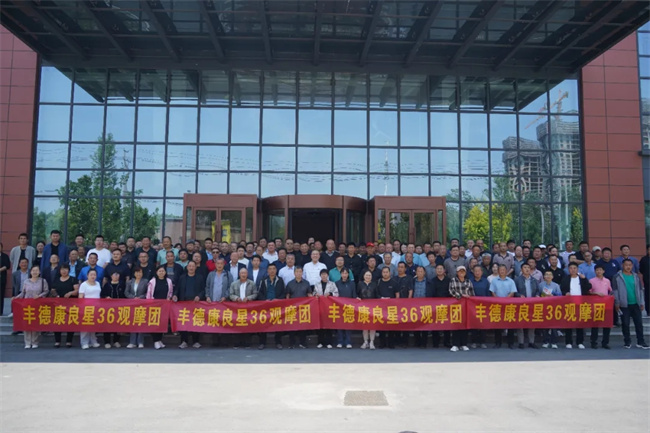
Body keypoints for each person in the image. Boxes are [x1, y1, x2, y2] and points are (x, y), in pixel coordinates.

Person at [612, 259, 649, 349]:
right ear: (622, 265)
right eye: (626, 265)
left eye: (630, 265)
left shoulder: (636, 276)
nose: (628, 267)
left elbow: (640, 290)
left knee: (639, 323)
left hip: (636, 303)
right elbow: (615, 291)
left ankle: (641, 342)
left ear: (632, 266)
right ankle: (627, 342)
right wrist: (617, 302)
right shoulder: (617, 277)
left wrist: (642, 302)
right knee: (625, 323)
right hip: (624, 304)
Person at [14, 265, 49, 348]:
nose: (35, 272)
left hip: (37, 304)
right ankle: (27, 342)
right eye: (33, 270)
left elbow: (46, 291)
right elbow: (23, 292)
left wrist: (39, 296)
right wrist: (16, 298)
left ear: (39, 272)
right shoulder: (26, 281)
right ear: (30, 272)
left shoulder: (43, 281)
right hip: (27, 305)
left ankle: (34, 342)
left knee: (35, 323)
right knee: (26, 323)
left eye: (36, 270)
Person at [174, 261, 206, 349]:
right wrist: (175, 295)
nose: (191, 268)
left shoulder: (200, 277)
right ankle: (184, 341)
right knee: (184, 322)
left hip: (196, 303)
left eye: (193, 266)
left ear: (195, 267)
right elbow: (177, 289)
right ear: (187, 267)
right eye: (190, 266)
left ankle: (196, 341)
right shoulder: (182, 277)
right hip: (184, 303)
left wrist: (199, 296)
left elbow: (203, 290)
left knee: (195, 322)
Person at [559, 262, 592, 349]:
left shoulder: (581, 278)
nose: (573, 270)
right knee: (568, 324)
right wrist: (565, 293)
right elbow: (562, 289)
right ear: (568, 269)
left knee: (580, 324)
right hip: (569, 304)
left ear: (577, 269)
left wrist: (584, 279)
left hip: (581, 304)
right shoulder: (565, 279)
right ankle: (568, 342)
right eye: (571, 268)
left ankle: (580, 342)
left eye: (574, 268)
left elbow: (588, 287)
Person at [257, 263, 286, 350]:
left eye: (273, 269)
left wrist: (278, 299)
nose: (272, 271)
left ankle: (278, 342)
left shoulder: (280, 280)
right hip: (266, 305)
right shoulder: (263, 280)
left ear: (276, 270)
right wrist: (264, 300)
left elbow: (283, 293)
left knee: (278, 324)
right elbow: (259, 293)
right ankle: (262, 342)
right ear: (267, 270)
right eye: (270, 269)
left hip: (277, 305)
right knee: (263, 323)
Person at [50, 263, 78, 348]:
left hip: (71, 304)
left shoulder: (73, 279)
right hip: (59, 304)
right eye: (62, 269)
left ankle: (69, 341)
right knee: (58, 321)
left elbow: (77, 290)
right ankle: (57, 341)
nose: (64, 271)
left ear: (69, 270)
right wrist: (56, 295)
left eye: (65, 269)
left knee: (70, 322)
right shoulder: (56, 280)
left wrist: (70, 293)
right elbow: (52, 290)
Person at [145, 266, 173, 350]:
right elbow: (148, 293)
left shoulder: (168, 281)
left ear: (165, 272)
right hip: (154, 305)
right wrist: (149, 303)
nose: (161, 272)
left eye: (163, 271)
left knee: (162, 323)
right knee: (154, 323)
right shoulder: (152, 281)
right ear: (156, 272)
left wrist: (169, 298)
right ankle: (155, 340)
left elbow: (170, 292)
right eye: (159, 271)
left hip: (164, 306)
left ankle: (160, 339)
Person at [490, 264, 517, 349]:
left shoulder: (511, 281)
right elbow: (492, 292)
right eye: (500, 270)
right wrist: (498, 300)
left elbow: (512, 292)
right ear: (498, 271)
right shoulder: (494, 281)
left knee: (510, 324)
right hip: (497, 305)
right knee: (497, 324)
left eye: (503, 270)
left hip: (509, 305)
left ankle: (510, 343)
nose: (502, 271)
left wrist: (505, 300)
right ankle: (498, 342)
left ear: (506, 271)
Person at [514, 263, 540, 349]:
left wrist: (537, 295)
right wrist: (519, 295)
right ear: (521, 270)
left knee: (532, 323)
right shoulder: (517, 280)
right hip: (521, 305)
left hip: (532, 305)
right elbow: (514, 291)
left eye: (528, 267)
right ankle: (521, 342)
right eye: (525, 267)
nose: (527, 269)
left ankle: (531, 342)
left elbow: (537, 290)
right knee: (520, 324)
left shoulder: (534, 280)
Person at [448, 266, 474, 352]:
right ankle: (455, 344)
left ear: (465, 273)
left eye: (463, 271)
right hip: (456, 306)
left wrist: (469, 297)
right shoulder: (453, 280)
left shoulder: (468, 281)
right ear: (457, 272)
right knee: (456, 325)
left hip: (466, 306)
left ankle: (464, 344)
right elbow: (451, 291)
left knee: (465, 325)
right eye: (460, 271)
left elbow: (472, 293)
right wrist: (462, 295)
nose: (461, 272)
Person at [285, 267, 312, 348]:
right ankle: (291, 343)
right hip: (292, 307)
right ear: (294, 273)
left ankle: (302, 342)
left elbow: (309, 294)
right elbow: (287, 295)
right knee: (292, 325)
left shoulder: (306, 283)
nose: (298, 273)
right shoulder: (290, 283)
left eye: (300, 272)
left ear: (302, 273)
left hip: (303, 307)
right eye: (297, 272)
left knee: (303, 325)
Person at [589, 264, 612, 349]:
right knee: (595, 324)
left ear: (603, 271)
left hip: (606, 305)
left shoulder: (607, 281)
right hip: (595, 305)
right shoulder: (591, 281)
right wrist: (596, 293)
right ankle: (593, 342)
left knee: (606, 324)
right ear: (595, 271)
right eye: (597, 270)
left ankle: (605, 342)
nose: (599, 271)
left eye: (600, 270)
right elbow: (589, 292)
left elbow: (610, 291)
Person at [100, 272, 126, 348]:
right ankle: (107, 342)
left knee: (117, 324)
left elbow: (124, 295)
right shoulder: (107, 285)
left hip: (119, 307)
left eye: (117, 275)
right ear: (111, 276)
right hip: (108, 308)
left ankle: (116, 341)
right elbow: (102, 295)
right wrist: (106, 297)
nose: (116, 276)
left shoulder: (122, 284)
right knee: (107, 324)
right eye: (114, 275)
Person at [125, 266, 149, 348]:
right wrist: (133, 297)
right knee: (133, 323)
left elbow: (147, 292)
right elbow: (126, 292)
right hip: (132, 304)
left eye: (140, 272)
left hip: (142, 304)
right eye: (137, 272)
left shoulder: (146, 281)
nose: (139, 274)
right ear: (134, 273)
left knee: (140, 322)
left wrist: (140, 297)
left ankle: (140, 342)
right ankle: (132, 342)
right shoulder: (130, 282)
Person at [314, 269, 338, 349]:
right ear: (320, 276)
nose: (324, 276)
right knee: (320, 325)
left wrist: (330, 294)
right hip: (319, 307)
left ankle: (329, 342)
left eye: (325, 274)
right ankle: (320, 342)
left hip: (329, 307)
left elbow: (337, 293)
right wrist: (316, 295)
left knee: (328, 325)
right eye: (322, 274)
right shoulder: (317, 284)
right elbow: (313, 293)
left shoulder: (332, 284)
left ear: (327, 275)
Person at [78, 268, 101, 349]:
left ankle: (93, 341)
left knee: (93, 325)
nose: (93, 276)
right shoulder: (83, 284)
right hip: (86, 308)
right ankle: (84, 342)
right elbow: (80, 297)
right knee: (85, 325)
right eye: (91, 275)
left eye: (94, 275)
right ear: (87, 275)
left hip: (96, 307)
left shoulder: (98, 283)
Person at [539, 270, 562, 349]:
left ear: (552, 277)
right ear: (544, 277)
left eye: (550, 275)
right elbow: (538, 294)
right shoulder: (541, 285)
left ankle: (554, 342)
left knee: (554, 325)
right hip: (544, 307)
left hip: (554, 307)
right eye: (546, 274)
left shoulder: (556, 285)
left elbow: (560, 295)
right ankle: (546, 341)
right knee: (545, 325)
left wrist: (553, 295)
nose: (548, 276)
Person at [334, 268, 356, 349]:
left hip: (349, 306)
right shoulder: (336, 283)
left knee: (348, 325)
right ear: (340, 274)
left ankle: (348, 342)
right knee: (339, 325)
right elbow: (335, 295)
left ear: (348, 274)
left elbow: (354, 294)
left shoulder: (352, 284)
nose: (344, 275)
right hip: (339, 306)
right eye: (343, 273)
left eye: (346, 273)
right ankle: (340, 341)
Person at [357, 270, 378, 350]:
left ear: (371, 277)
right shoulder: (360, 284)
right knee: (365, 325)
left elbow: (377, 295)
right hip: (363, 308)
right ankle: (365, 341)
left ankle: (372, 342)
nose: (368, 277)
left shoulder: (374, 284)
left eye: (369, 275)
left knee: (372, 325)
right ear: (364, 276)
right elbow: (357, 293)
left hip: (373, 307)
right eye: (366, 275)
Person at [640, 244, 650, 316]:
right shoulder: (644, 259)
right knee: (648, 296)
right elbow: (641, 269)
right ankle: (648, 311)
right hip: (647, 281)